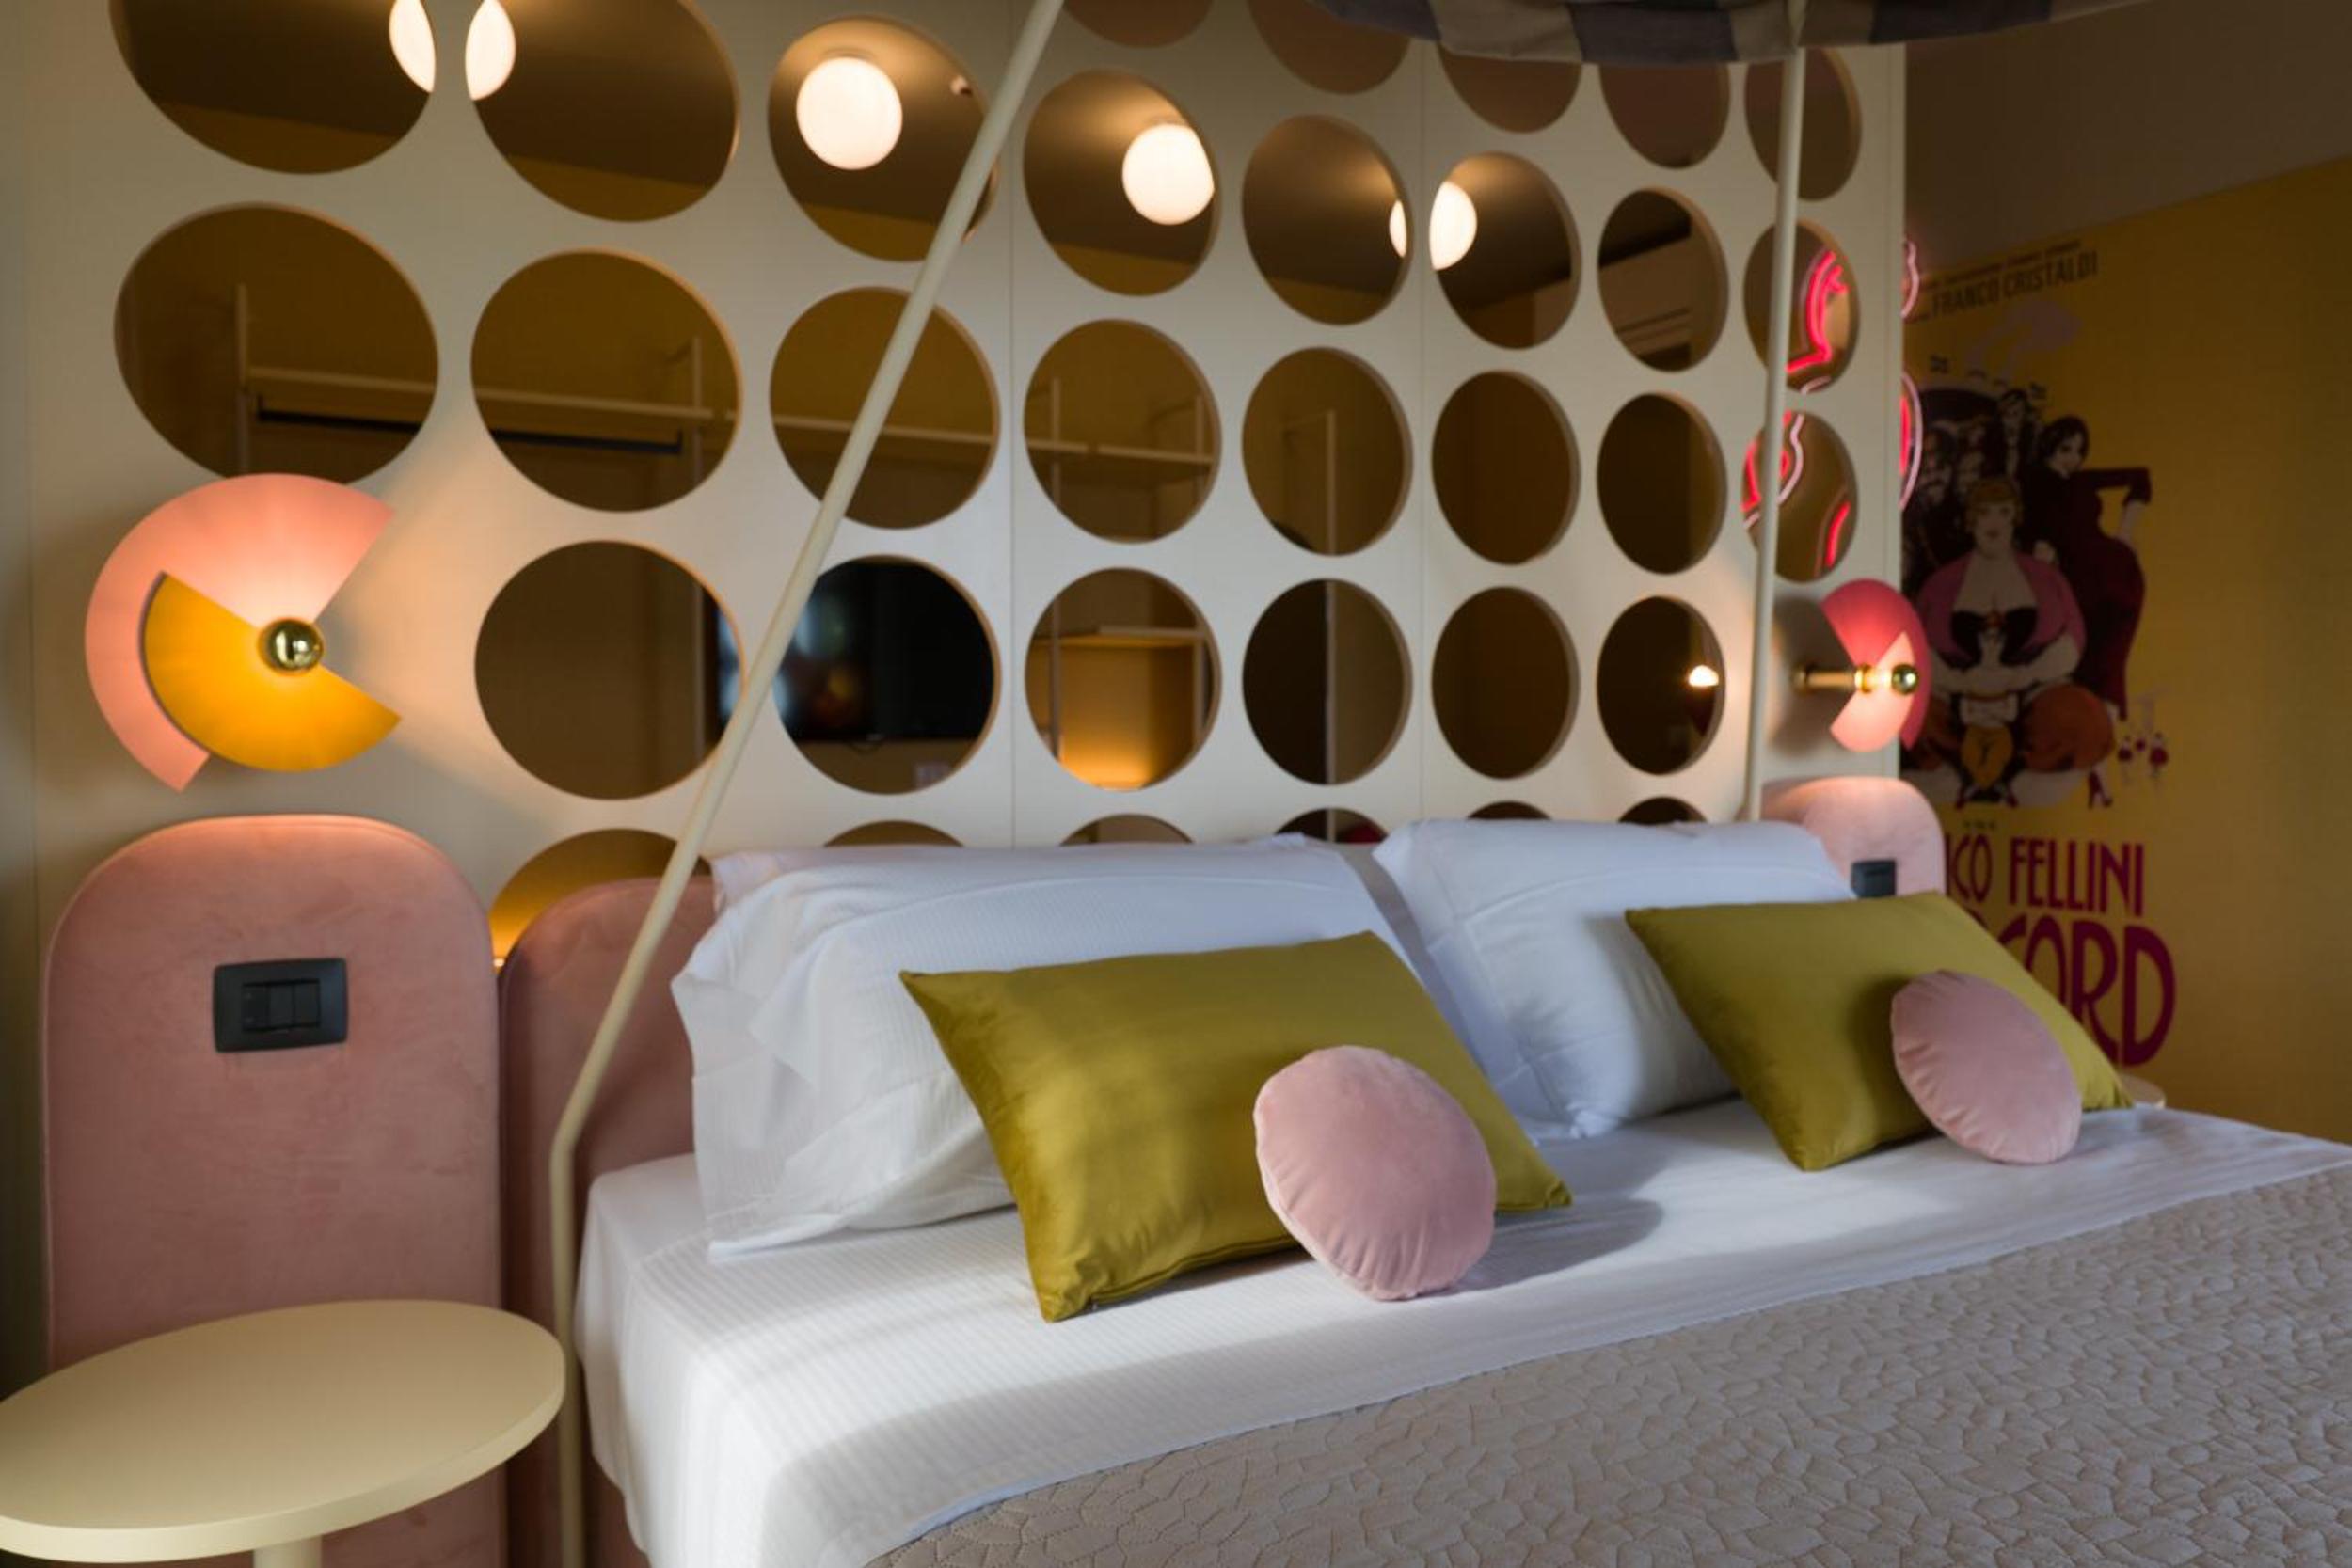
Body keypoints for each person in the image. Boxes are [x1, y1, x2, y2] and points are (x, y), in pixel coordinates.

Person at [1915, 477, 2113, 804]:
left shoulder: (2046, 578)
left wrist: (2027, 675)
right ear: (1971, 520)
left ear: (2015, 517)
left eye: (2003, 512)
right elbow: (1916, 646)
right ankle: (1955, 770)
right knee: (1910, 715)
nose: (1994, 523)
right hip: (1956, 698)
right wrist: (1957, 681)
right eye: (1984, 513)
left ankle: (2020, 772)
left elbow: (2071, 639)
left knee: (2084, 720)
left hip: (2032, 697)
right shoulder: (1941, 584)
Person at [2020, 416, 2151, 714]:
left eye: (2079, 452)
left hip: (2113, 569)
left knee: (2110, 655)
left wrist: (2126, 533)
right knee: (2085, 658)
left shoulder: (2080, 480)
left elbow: (2141, 477)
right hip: (2077, 578)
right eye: (2066, 449)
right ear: (2050, 446)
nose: (2073, 459)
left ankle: (2102, 724)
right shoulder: (2034, 482)